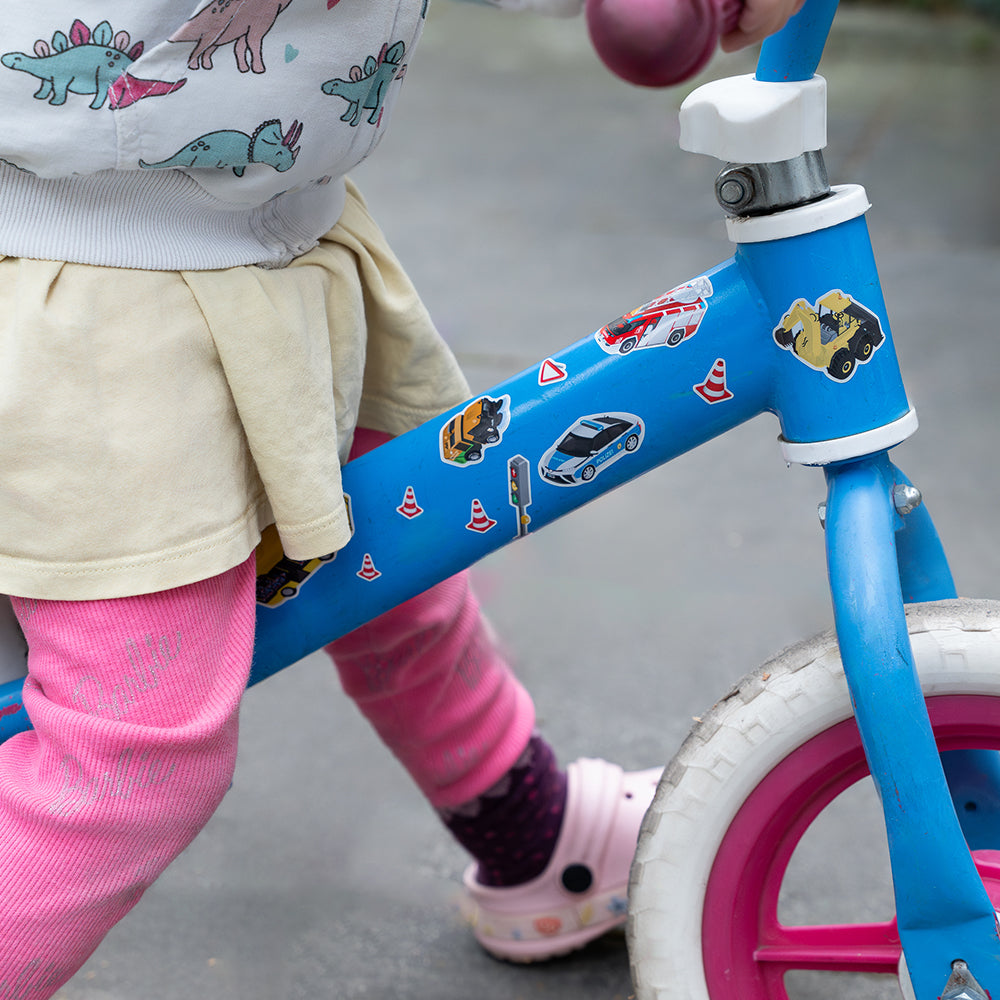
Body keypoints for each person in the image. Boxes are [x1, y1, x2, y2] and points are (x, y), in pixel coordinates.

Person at [0, 0, 806, 993]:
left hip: (257, 222)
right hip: (101, 286)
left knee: (393, 543)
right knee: (130, 754)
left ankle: (528, 828)